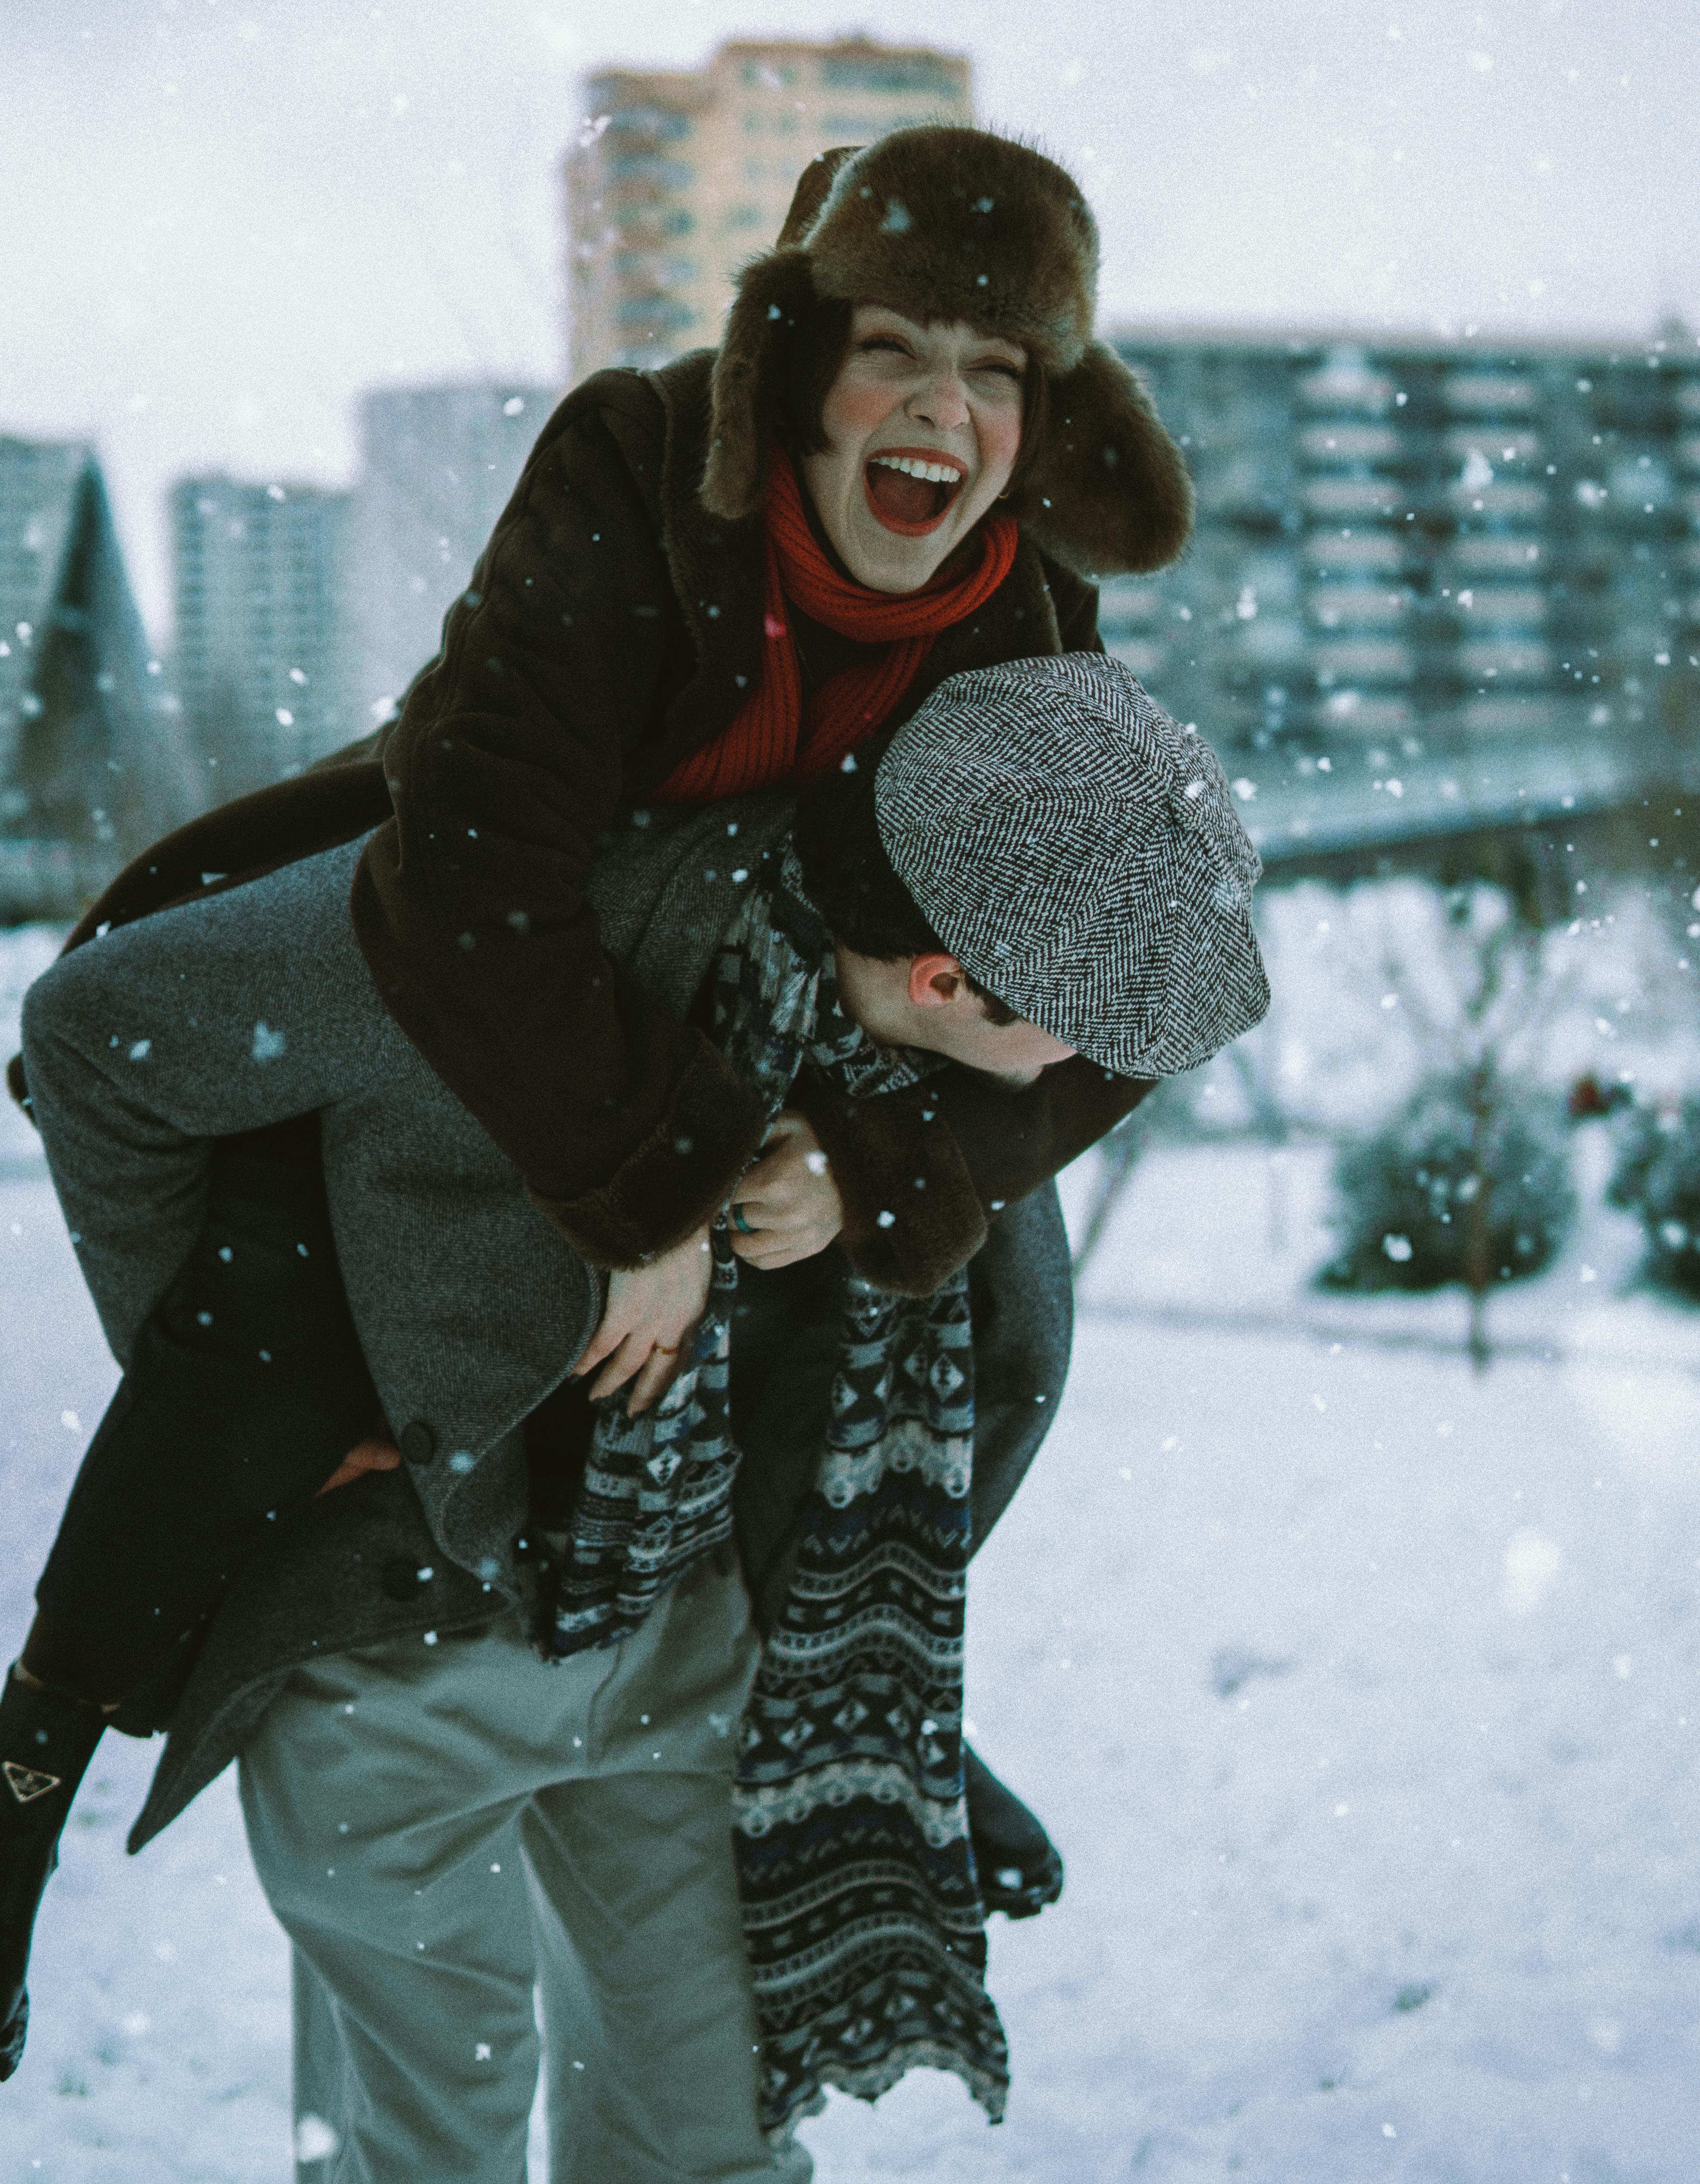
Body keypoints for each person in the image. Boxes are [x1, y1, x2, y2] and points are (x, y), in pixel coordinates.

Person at [0, 123, 1195, 1925]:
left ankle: (868, 1686)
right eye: (892, 346)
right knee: (277, 1299)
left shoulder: (1026, 604)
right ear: (796, 358)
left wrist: (874, 1159)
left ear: (1045, 418)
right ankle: (35, 1751)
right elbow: (480, 862)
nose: (940, 404)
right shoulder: (637, 461)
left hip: (778, 972)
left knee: (1003, 1302)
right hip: (498, 933)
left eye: (997, 368)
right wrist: (652, 1191)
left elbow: (1125, 955)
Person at [4, 656, 1268, 2174]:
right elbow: (99, 1037)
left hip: (693, 1650)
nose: (1079, 1082)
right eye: (1071, 1040)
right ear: (944, 984)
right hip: (397, 1643)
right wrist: (265, 1406)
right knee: (428, 2160)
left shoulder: (927, 1092)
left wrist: (860, 1167)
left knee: (705, 2148)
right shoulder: (516, 928)